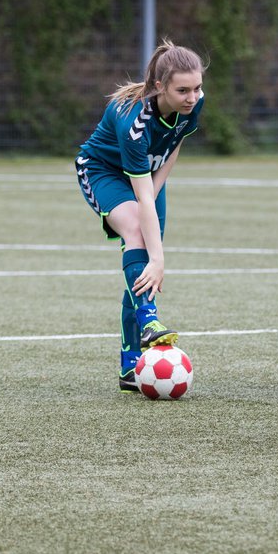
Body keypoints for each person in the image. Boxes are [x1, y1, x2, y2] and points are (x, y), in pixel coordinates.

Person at [75, 41, 205, 392]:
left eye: (196, 88)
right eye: (183, 90)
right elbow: (140, 195)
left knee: (142, 260)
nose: (192, 97)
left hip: (149, 176)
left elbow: (174, 145)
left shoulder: (195, 102)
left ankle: (130, 366)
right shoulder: (134, 121)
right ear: (160, 86)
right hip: (103, 172)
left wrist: (158, 184)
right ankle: (150, 321)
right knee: (138, 234)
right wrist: (159, 257)